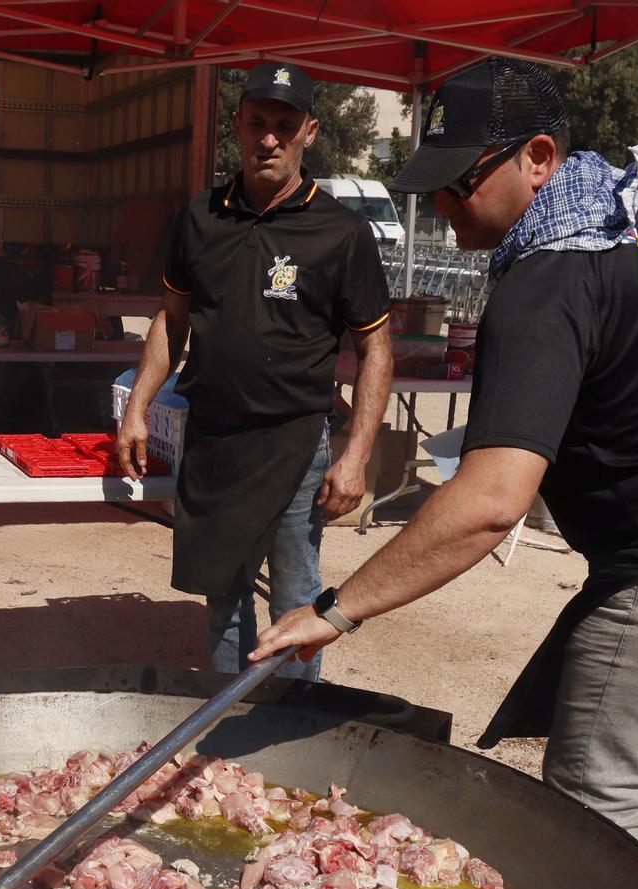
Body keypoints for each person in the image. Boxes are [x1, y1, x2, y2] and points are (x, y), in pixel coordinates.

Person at [252, 59, 638, 889]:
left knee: (594, 799)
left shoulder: (547, 282)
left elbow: (491, 503)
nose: (446, 206)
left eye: (461, 182)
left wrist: (337, 610)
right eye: (438, 185)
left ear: (537, 156)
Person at [116, 62, 392, 682]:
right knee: (223, 600)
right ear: (237, 125)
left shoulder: (341, 232)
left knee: (295, 602)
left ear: (310, 132)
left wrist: (355, 456)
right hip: (211, 440)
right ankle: (225, 729)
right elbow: (171, 319)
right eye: (258, 123)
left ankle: (288, 732)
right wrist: (138, 406)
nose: (269, 138)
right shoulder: (200, 217)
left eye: (284, 126)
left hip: (295, 442)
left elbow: (376, 350)